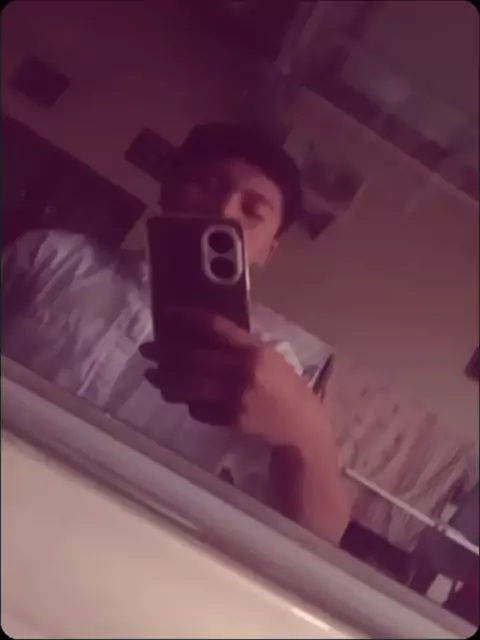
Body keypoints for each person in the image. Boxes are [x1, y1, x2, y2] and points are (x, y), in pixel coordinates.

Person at [2, 122, 350, 543]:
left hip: (103, 548)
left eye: (253, 211)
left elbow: (320, 535)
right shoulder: (51, 256)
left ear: (267, 251)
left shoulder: (269, 366)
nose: (224, 211)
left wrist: (308, 434)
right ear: (169, 189)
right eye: (210, 185)